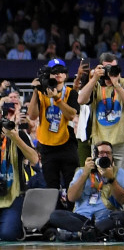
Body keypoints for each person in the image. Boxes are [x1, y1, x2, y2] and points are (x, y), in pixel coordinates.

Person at [50, 140, 124, 238]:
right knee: (55, 215)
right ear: (94, 155)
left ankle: (86, 233)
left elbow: (123, 200)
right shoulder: (81, 172)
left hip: (105, 218)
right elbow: (71, 198)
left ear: (112, 157)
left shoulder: (119, 172)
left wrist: (111, 179)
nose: (105, 156)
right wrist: (85, 174)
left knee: (122, 216)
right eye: (101, 153)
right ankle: (92, 232)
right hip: (82, 218)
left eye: (108, 153)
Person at [77, 53, 124, 173]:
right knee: (100, 176)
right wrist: (94, 78)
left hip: (122, 140)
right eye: (106, 68)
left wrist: (117, 85)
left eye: (113, 68)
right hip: (99, 140)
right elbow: (81, 100)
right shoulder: (95, 84)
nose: (110, 72)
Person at [28, 58, 79, 196]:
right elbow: (32, 116)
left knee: (71, 185)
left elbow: (72, 114)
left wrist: (57, 99)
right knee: (51, 188)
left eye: (61, 71)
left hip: (67, 144)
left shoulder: (70, 92)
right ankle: (53, 215)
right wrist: (35, 90)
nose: (58, 74)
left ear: (66, 75)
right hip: (47, 146)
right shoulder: (40, 93)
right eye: (54, 71)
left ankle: (71, 215)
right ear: (48, 74)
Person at [0, 102, 40, 240]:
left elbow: (35, 159)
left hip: (13, 195)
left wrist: (16, 138)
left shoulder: (17, 135)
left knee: (8, 234)